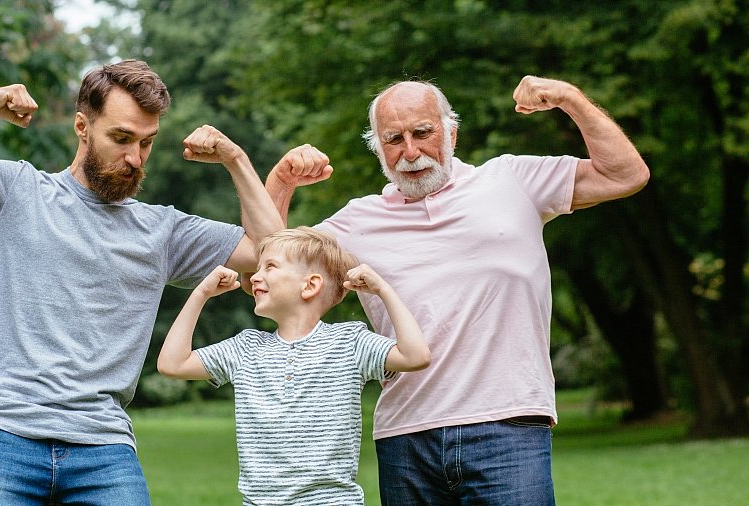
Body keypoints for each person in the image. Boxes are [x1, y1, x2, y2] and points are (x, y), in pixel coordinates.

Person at [0, 59, 284, 504]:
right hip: (1, 434)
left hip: (103, 446)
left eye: (147, 143)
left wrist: (236, 160)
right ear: (82, 127)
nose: (134, 158)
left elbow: (272, 252)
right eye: (121, 138)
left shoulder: (163, 232)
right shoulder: (15, 191)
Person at [263, 76, 650, 504]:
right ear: (378, 149)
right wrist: (280, 187)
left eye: (423, 133)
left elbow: (625, 174)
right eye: (394, 139)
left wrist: (571, 99)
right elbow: (269, 273)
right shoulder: (358, 221)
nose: (410, 152)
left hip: (509, 428)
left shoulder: (513, 180)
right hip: (406, 439)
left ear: (451, 132)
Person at [157, 226, 430, 505]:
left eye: (270, 267)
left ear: (310, 285)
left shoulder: (349, 342)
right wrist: (200, 293)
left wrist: (383, 290)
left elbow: (415, 356)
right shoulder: (245, 348)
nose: (255, 277)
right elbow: (173, 364)